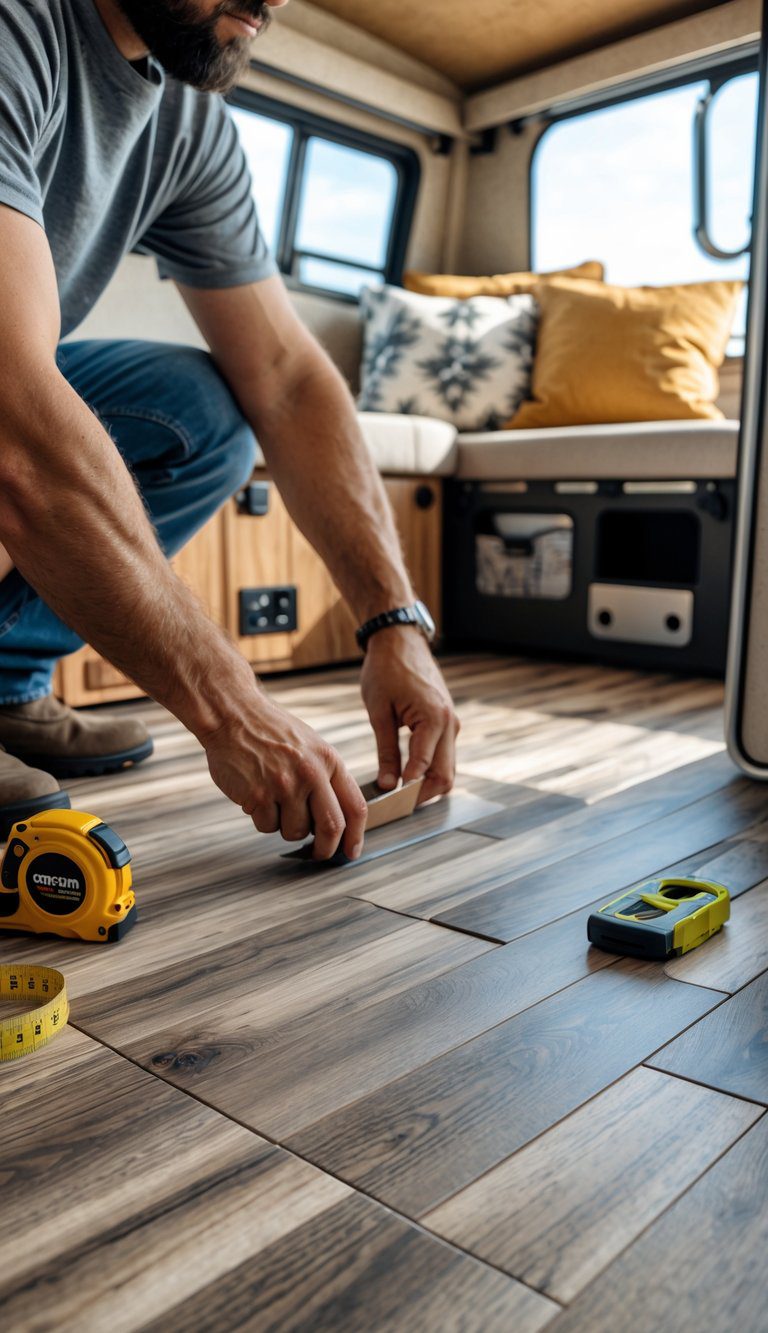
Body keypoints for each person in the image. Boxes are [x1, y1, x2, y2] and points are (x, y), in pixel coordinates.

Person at [0, 0, 459, 856]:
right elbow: (11, 420)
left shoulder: (185, 122)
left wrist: (394, 621)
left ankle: (1, 683)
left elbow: (285, 380)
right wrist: (232, 706)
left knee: (200, 412)